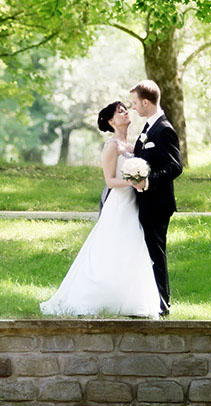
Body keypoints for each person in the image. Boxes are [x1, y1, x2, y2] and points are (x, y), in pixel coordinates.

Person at [40, 101, 161, 318]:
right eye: (120, 111)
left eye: (126, 109)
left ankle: (130, 301)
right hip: (119, 202)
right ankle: (95, 297)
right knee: (111, 246)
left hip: (134, 202)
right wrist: (133, 181)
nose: (125, 112)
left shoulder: (133, 145)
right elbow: (110, 180)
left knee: (133, 246)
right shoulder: (111, 146)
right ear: (111, 121)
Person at [129, 80, 183, 316]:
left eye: (135, 103)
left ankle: (163, 304)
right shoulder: (148, 128)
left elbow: (175, 166)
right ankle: (151, 300)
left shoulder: (164, 129)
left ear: (147, 102)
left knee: (155, 253)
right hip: (146, 202)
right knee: (147, 252)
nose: (134, 107)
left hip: (158, 203)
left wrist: (149, 181)